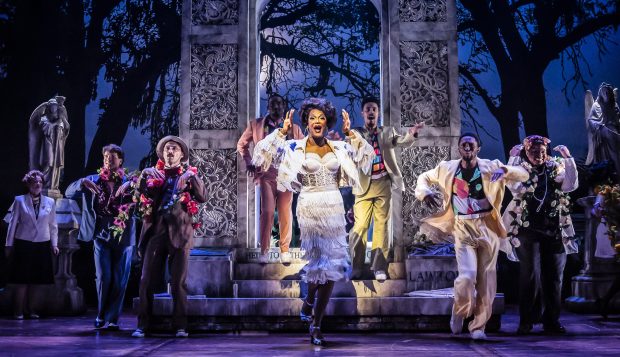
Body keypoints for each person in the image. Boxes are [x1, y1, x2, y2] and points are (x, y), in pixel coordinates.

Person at [252, 98, 374, 345]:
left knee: (331, 269)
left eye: (321, 118)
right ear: (306, 123)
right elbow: (260, 155)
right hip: (309, 205)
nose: (317, 122)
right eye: (312, 118)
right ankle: (309, 301)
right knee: (318, 264)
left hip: (333, 205)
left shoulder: (339, 147)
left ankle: (316, 322)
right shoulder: (293, 146)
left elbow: (366, 157)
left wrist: (351, 134)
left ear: (327, 122)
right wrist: (282, 132)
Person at [415, 133, 529, 340]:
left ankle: (478, 327)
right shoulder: (447, 168)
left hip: (488, 226)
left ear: (478, 148)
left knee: (486, 281)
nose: (467, 148)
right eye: (463, 145)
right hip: (462, 226)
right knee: (467, 276)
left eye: (471, 145)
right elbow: (423, 177)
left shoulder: (491, 166)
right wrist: (424, 192)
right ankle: (459, 311)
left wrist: (505, 170)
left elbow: (523, 174)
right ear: (459, 148)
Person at [501, 136, 578, 334]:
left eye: (542, 151)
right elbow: (513, 185)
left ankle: (551, 320)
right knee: (530, 275)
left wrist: (568, 159)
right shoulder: (522, 170)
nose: (539, 155)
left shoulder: (555, 167)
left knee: (554, 277)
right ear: (527, 152)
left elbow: (570, 185)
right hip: (527, 230)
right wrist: (512, 159)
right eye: (534, 152)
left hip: (554, 230)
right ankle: (527, 320)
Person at [132, 136, 207, 338]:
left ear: (181, 154)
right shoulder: (152, 173)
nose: (170, 151)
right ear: (162, 154)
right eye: (166, 149)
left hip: (180, 234)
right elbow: (141, 191)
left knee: (178, 283)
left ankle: (180, 326)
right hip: (156, 232)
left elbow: (202, 197)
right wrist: (143, 176)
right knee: (146, 279)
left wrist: (191, 178)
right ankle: (142, 325)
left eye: (174, 148)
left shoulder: (188, 175)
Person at [348, 97, 424, 281]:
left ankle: (379, 267)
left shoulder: (387, 132)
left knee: (382, 226)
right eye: (368, 109)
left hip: (383, 182)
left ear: (378, 113)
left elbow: (402, 141)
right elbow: (347, 147)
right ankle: (357, 267)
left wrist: (412, 134)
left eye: (374, 109)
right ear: (363, 113)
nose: (371, 112)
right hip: (363, 185)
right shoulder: (355, 133)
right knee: (360, 226)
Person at [66, 144, 136, 330]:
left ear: (120, 160)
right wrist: (81, 182)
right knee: (103, 276)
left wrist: (132, 184)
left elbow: (145, 193)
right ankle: (101, 315)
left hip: (124, 232)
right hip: (100, 232)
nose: (108, 160)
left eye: (112, 157)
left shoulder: (128, 180)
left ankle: (112, 319)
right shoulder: (93, 180)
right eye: (105, 156)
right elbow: (69, 192)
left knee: (120, 277)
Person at [237, 94, 304, 263]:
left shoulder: (294, 128)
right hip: (266, 174)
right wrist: (249, 162)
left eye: (279, 104)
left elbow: (304, 148)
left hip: (286, 176)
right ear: (268, 107)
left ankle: (285, 250)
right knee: (267, 212)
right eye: (273, 104)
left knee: (285, 213)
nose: (276, 107)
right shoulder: (256, 125)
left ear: (284, 107)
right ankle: (264, 251)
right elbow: (242, 145)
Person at [5, 170, 60, 319]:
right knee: (21, 279)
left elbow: (53, 225)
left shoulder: (50, 202)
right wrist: (8, 245)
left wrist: (54, 244)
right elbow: (12, 224)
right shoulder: (19, 200)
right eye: (34, 182)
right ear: (28, 183)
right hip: (24, 243)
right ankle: (18, 311)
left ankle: (32, 309)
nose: (37, 184)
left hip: (42, 243)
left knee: (38, 280)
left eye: (40, 182)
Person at [586, 82, 620, 184]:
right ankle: (606, 183)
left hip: (614, 134)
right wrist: (599, 126)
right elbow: (591, 120)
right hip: (602, 135)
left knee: (616, 157)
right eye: (604, 92)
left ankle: (618, 178)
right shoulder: (596, 105)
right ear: (601, 93)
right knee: (606, 159)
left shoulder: (614, 105)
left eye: (607, 92)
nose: (606, 93)